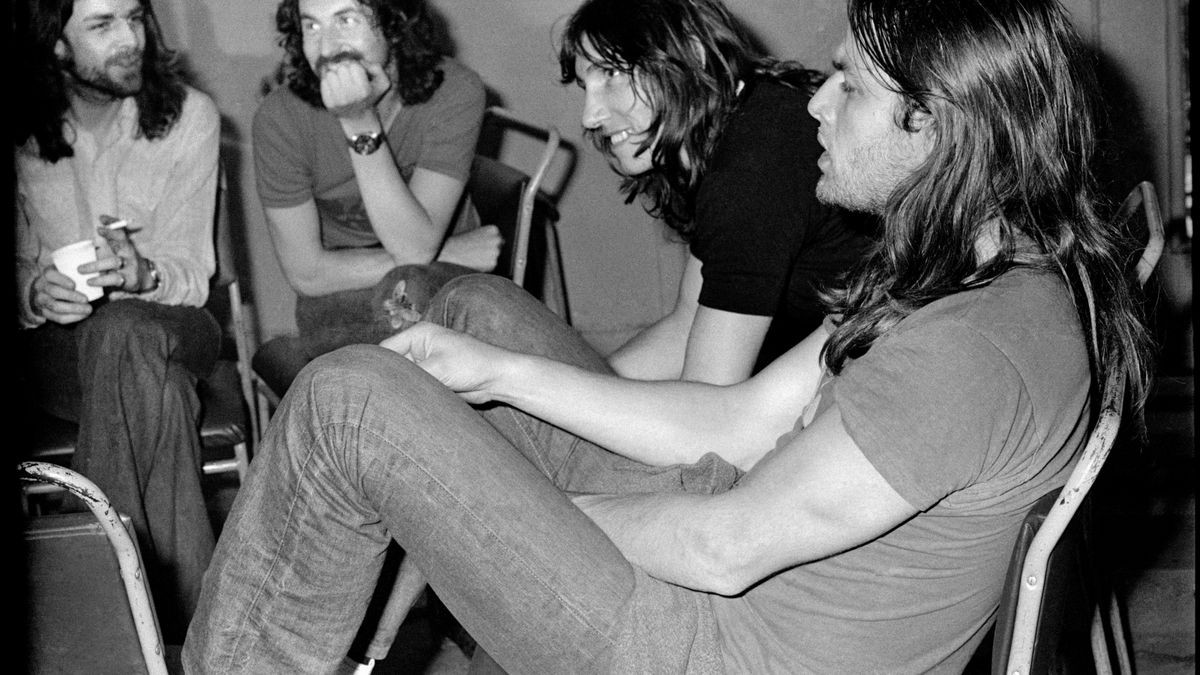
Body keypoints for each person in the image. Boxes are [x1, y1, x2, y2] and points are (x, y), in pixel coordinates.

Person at [184, 0, 1154, 671]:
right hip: (734, 555)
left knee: (349, 404)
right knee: (472, 321)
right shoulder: (962, 267)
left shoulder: (971, 347)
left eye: (849, 87)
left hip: (715, 649)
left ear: (933, 123)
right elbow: (734, 423)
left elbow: (723, 549)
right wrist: (495, 382)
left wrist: (471, 505)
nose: (816, 98)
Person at [14, 0, 221, 642]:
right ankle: (207, 637)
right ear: (55, 46)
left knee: (127, 329)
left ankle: (104, 629)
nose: (130, 38)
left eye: (134, 17)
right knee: (153, 391)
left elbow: (193, 270)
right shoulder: (20, 136)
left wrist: (143, 275)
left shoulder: (190, 116)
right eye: (103, 26)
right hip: (60, 350)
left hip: (176, 323)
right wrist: (33, 293)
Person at [565, 0, 870, 384]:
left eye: (610, 74)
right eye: (585, 86)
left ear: (691, 53)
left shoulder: (753, 166)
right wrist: (586, 388)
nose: (589, 116)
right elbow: (684, 327)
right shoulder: (745, 120)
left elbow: (707, 398)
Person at [249, 0, 499, 396]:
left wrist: (357, 122)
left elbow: (411, 246)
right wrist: (450, 250)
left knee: (408, 291)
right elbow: (308, 274)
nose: (327, 48)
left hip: (440, 285)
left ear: (395, 22)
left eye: (346, 20)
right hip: (339, 294)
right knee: (400, 301)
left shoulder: (456, 90)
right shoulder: (279, 119)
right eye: (311, 26)